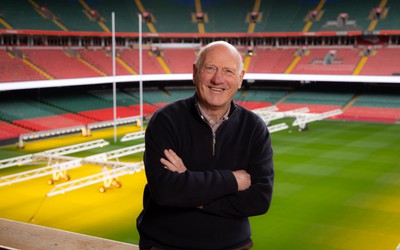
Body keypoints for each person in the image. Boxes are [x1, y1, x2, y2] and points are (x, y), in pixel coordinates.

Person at [136, 41, 274, 250]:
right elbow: (165, 191)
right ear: (195, 72)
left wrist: (190, 189)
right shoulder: (165, 121)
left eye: (228, 71)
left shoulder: (254, 127)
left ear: (240, 78)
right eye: (210, 68)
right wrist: (233, 180)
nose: (218, 79)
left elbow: (259, 199)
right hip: (166, 246)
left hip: (233, 246)